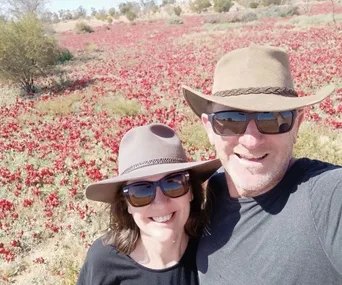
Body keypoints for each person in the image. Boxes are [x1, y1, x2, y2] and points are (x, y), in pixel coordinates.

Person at [182, 45, 342, 285]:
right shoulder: (212, 190)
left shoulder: (329, 197)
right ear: (209, 128)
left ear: (297, 124)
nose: (251, 140)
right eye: (230, 120)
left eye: (273, 119)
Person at [76, 123, 221, 285]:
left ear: (191, 191)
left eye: (173, 184)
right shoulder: (104, 262)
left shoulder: (214, 252)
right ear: (127, 204)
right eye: (141, 191)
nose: (160, 203)